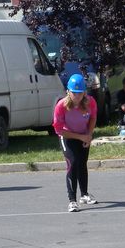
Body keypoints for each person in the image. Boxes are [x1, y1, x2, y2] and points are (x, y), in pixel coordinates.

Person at [53, 73, 98, 212]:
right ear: (68, 92)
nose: (77, 96)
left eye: (80, 93)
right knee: (72, 163)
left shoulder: (90, 102)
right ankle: (72, 200)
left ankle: (84, 194)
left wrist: (88, 135)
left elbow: (93, 118)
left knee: (82, 163)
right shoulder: (61, 106)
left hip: (83, 135)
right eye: (74, 93)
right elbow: (59, 130)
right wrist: (80, 137)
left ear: (84, 92)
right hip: (67, 136)